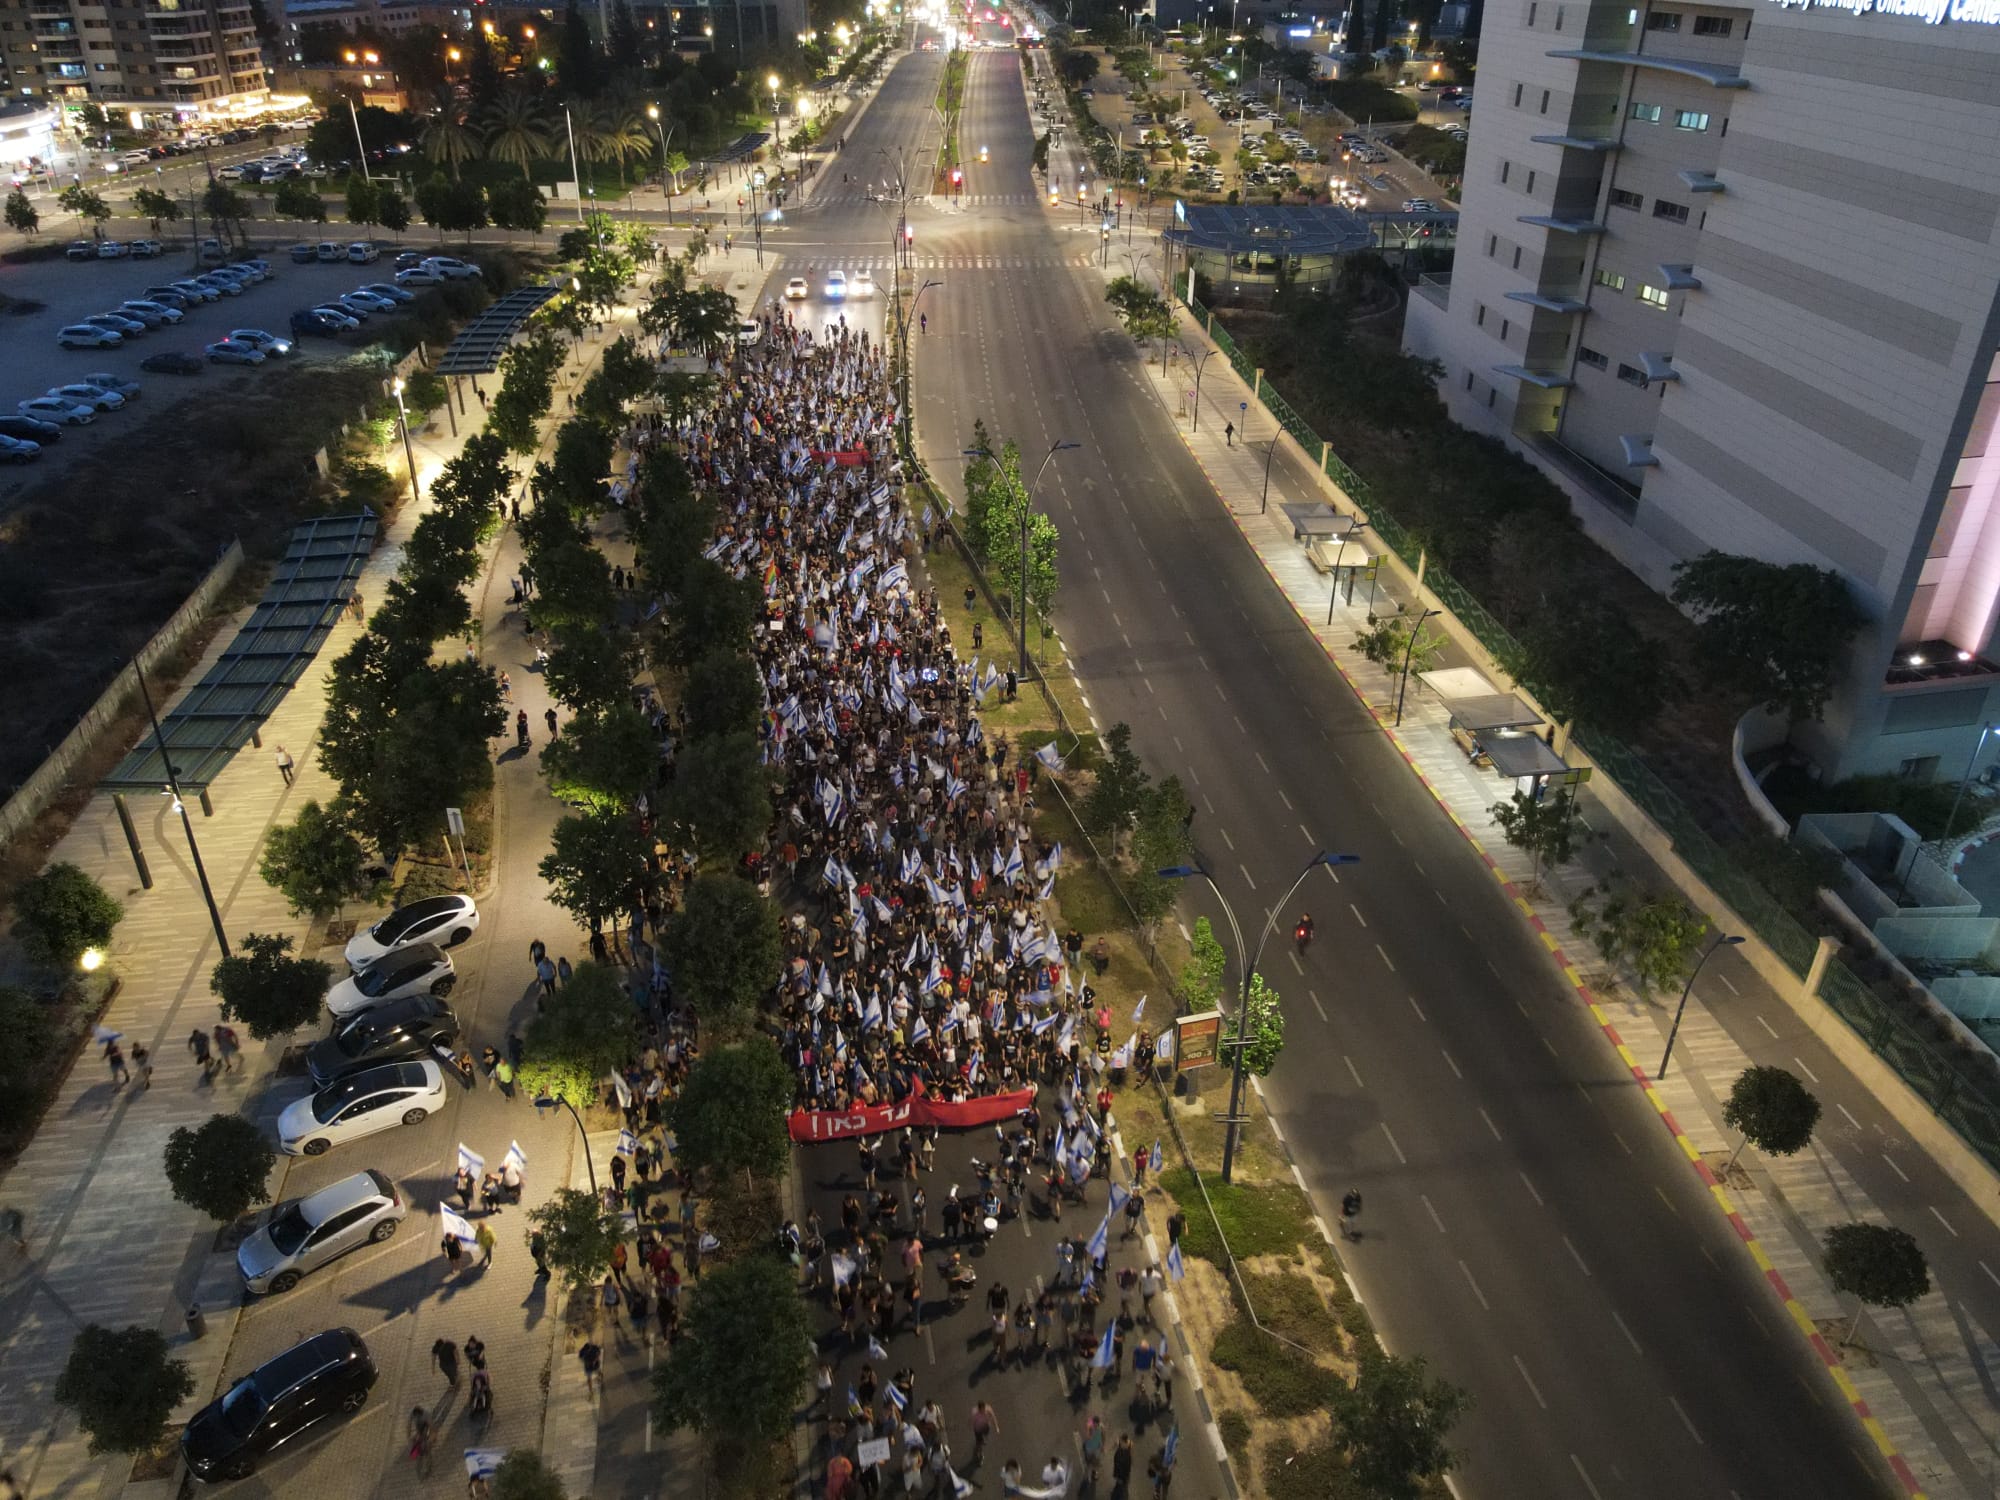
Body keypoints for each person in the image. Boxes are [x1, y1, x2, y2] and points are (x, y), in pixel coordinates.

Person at [407, 1407, 434, 1477]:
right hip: (419, 1429)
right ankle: (420, 1453)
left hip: (426, 1427)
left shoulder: (426, 1414)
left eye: (418, 1417)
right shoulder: (412, 1414)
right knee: (417, 1441)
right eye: (416, 1417)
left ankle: (429, 1467)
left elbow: (431, 1427)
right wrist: (409, 1437)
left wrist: (430, 1439)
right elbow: (408, 1425)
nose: (416, 1418)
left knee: (427, 1449)